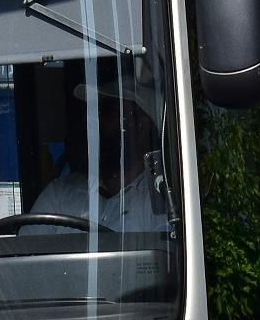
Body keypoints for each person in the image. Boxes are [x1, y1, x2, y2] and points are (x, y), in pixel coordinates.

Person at [32, 92, 168, 233]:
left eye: (110, 112)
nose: (97, 122)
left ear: (142, 126)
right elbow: (27, 251)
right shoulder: (59, 194)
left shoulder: (160, 198)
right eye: (93, 112)